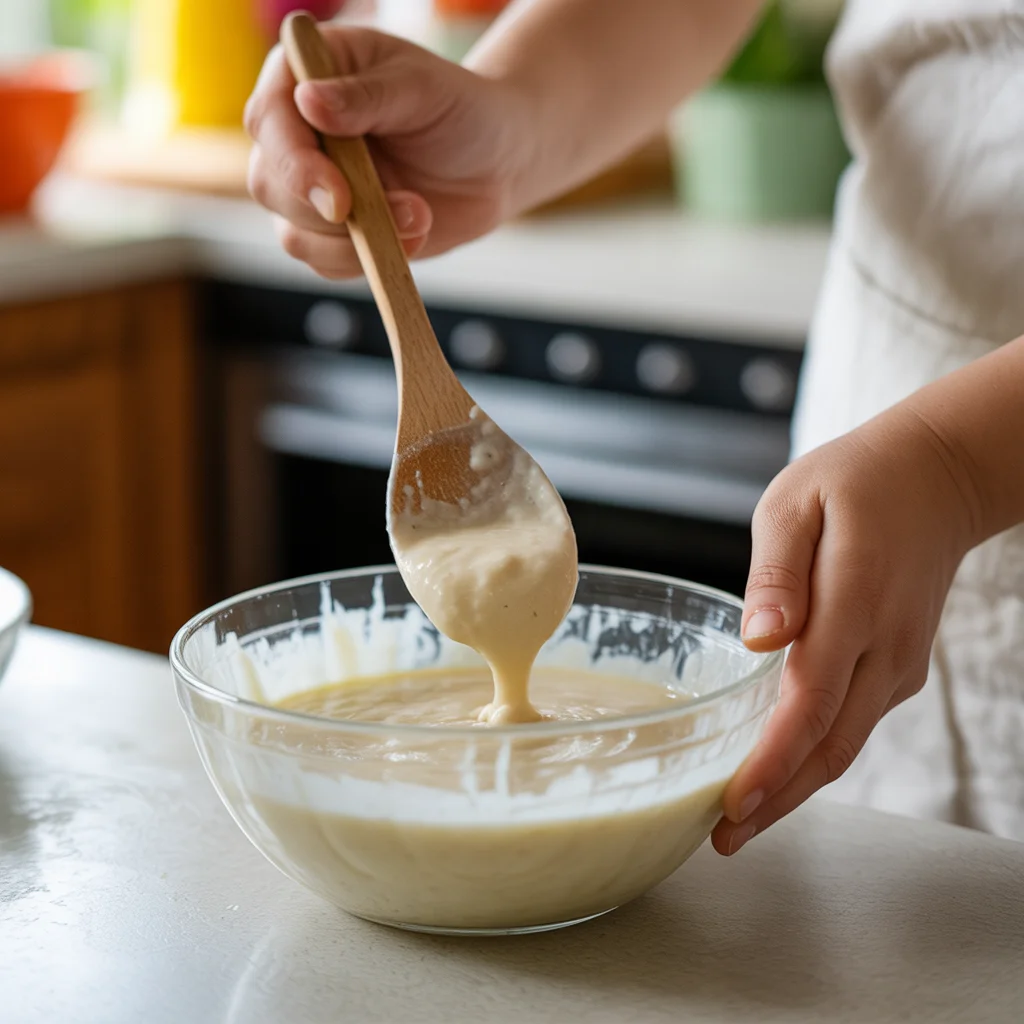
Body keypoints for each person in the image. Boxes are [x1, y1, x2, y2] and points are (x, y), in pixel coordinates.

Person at [244, 0, 1024, 853]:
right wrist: (518, 110)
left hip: (934, 456)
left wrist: (959, 464)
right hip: (899, 380)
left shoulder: (947, 461)